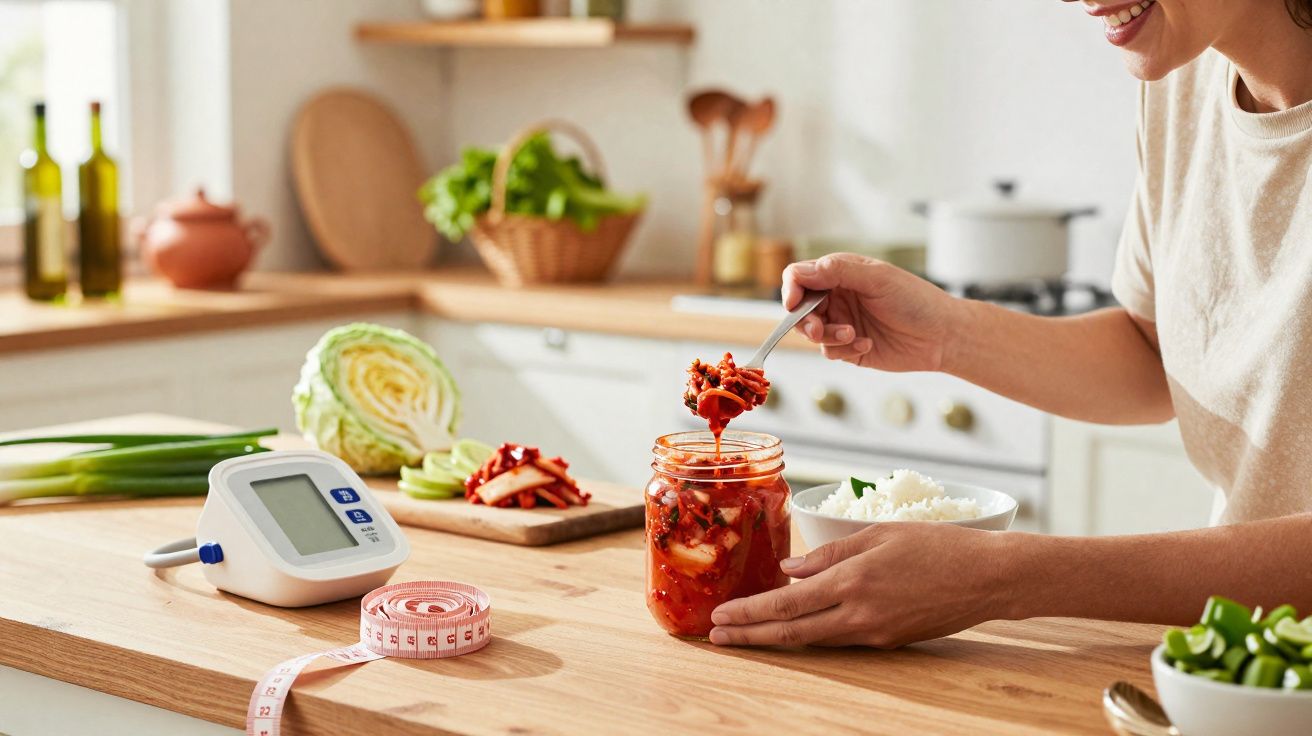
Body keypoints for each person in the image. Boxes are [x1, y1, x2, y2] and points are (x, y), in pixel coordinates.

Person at [708, 0, 1312, 648]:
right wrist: (947, 332)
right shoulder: (1184, 84)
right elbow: (1153, 355)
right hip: (1253, 667)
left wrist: (1008, 577)